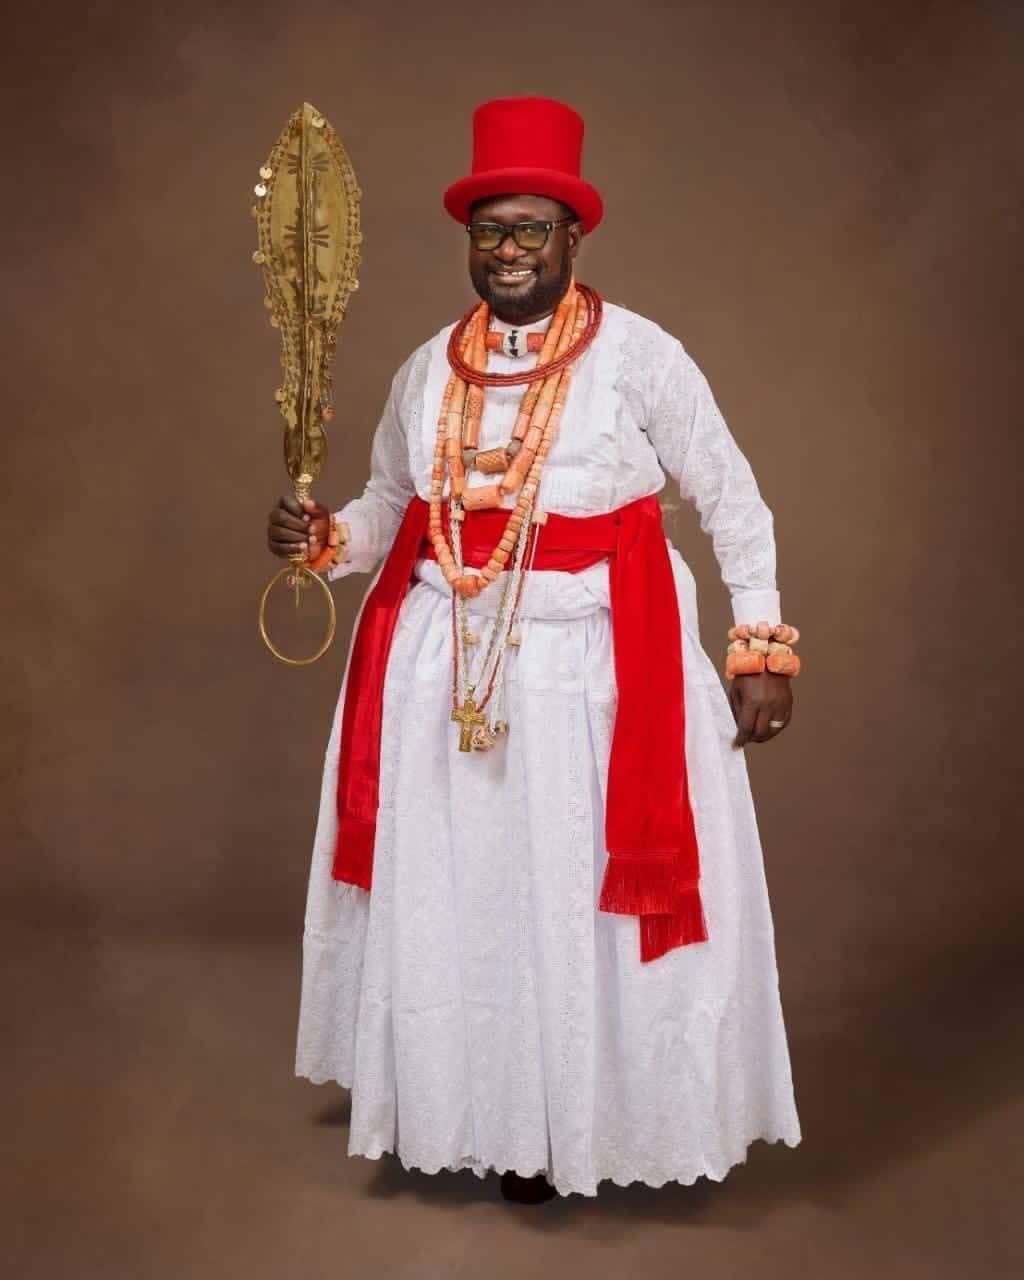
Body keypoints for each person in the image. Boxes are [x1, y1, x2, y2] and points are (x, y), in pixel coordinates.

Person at [269, 96, 801, 1203]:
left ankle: (594, 1118)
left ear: (573, 237)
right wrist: (327, 540)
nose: (508, 251)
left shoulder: (641, 356)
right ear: (469, 240)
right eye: (489, 231)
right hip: (445, 670)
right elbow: (388, 504)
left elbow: (731, 496)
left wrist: (758, 645)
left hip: (600, 671)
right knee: (472, 895)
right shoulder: (429, 368)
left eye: (530, 230)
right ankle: (486, 1111)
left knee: (572, 892)